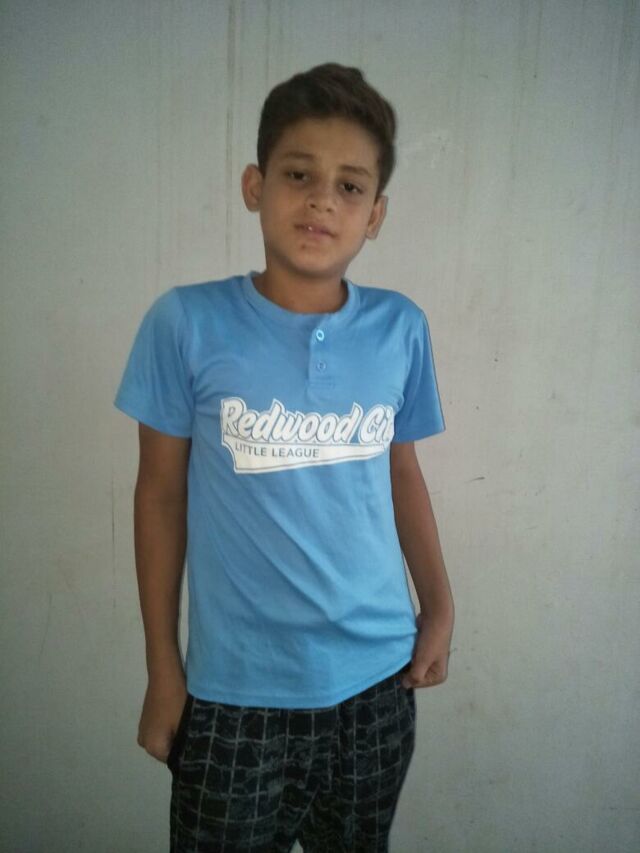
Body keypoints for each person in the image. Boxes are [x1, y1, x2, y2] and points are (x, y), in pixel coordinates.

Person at [113, 62, 454, 853]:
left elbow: (401, 472)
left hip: (377, 684)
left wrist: (439, 608)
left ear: (375, 214)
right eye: (299, 175)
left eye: (350, 186)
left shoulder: (401, 329)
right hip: (235, 696)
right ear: (255, 185)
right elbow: (159, 496)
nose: (322, 201)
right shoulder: (186, 324)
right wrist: (165, 669)